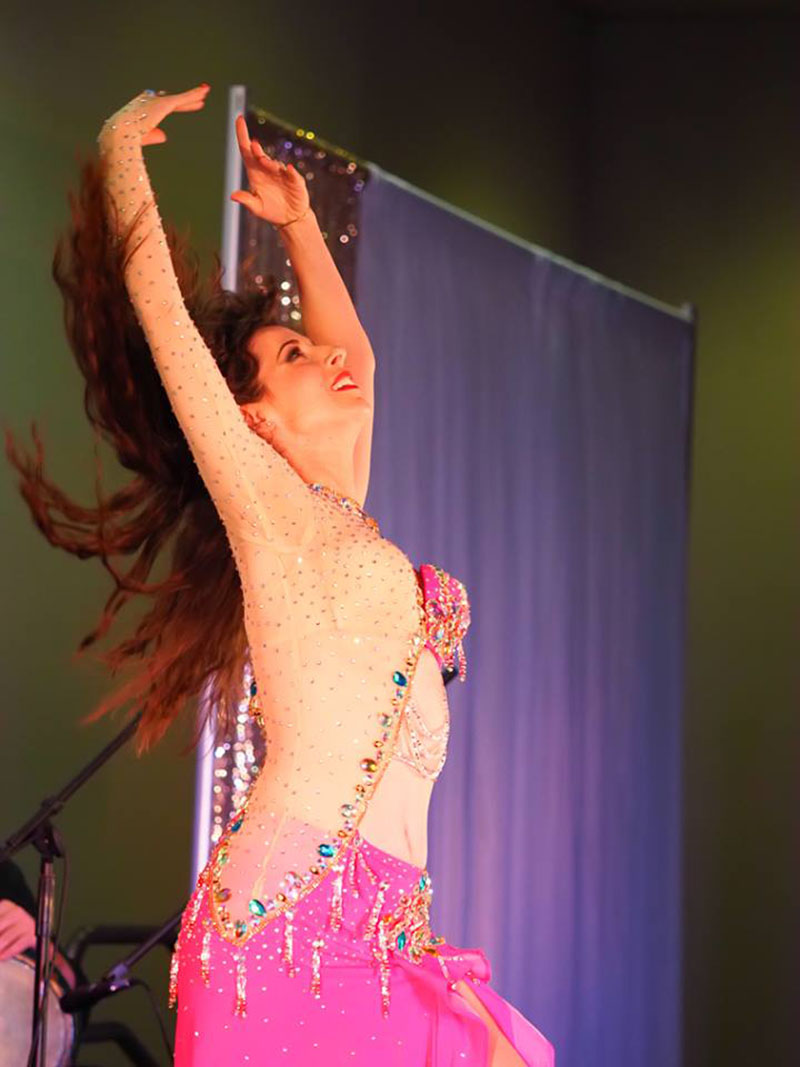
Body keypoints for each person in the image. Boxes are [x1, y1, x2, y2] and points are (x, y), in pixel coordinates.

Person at [7, 84, 555, 1065]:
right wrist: (119, 156)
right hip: (287, 934)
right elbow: (164, 319)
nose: (333, 359)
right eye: (296, 354)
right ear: (252, 418)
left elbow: (360, 361)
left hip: (383, 937)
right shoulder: (271, 513)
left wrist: (300, 223)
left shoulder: (344, 516)